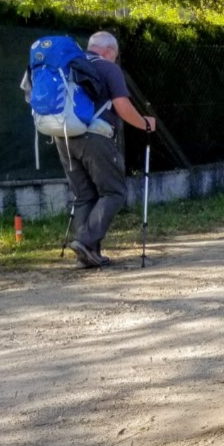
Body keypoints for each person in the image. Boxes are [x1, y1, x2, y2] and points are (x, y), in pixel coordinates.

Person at [60, 31, 157, 269]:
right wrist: (144, 123)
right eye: (115, 54)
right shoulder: (108, 67)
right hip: (95, 136)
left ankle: (88, 253)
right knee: (114, 192)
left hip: (63, 136)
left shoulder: (70, 65)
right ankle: (84, 241)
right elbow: (122, 106)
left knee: (84, 195)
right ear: (109, 50)